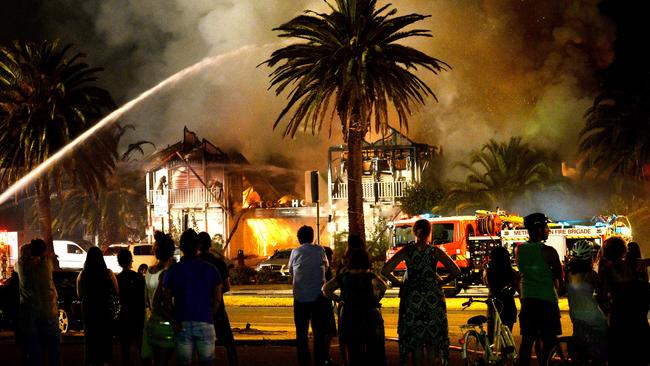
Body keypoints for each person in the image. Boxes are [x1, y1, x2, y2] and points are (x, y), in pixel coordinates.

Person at [381, 219, 461, 366]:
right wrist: (440, 282)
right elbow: (455, 270)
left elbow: (385, 270)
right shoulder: (435, 251)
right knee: (432, 340)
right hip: (433, 299)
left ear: (414, 232)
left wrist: (401, 285)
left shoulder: (407, 251)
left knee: (416, 341)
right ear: (430, 233)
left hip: (412, 299)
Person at [162, 229, 222, 366]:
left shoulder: (173, 271)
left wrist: (174, 320)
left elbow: (166, 300)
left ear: (181, 247)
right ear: (198, 247)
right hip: (205, 321)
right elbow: (218, 298)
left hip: (182, 323)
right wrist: (209, 314)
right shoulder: (211, 269)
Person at [323, 249, 387, 366]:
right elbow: (382, 287)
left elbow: (326, 289)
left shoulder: (343, 277)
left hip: (349, 315)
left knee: (353, 349)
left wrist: (339, 300)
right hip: (368, 315)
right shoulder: (369, 276)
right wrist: (375, 300)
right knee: (371, 348)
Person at [515, 213, 563, 366]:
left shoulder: (519, 250)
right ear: (539, 229)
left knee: (527, 342)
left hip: (528, 301)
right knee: (548, 341)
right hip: (547, 302)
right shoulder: (549, 251)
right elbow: (558, 281)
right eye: (546, 227)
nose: (548, 230)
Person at [599, 236, 650, 365]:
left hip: (619, 319)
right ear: (623, 250)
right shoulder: (635, 264)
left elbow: (604, 296)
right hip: (638, 318)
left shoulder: (608, 271)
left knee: (619, 356)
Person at [288, 225, 332, 366]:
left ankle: (304, 361)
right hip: (318, 297)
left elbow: (290, 271)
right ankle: (319, 360)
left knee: (301, 333)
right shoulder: (320, 250)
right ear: (312, 237)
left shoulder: (295, 252)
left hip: (300, 297)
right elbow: (326, 267)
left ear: (299, 238)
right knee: (319, 332)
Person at [15, 239, 61, 366]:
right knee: (53, 350)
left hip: (30, 313)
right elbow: (46, 255)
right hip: (49, 310)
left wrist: (26, 251)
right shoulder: (46, 264)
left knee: (34, 351)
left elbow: (22, 260)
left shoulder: (22, 266)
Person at [198, 231, 238, 366]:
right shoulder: (218, 263)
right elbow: (227, 287)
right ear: (210, 245)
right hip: (218, 308)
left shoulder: (194, 264)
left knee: (198, 343)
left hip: (198, 309)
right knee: (228, 341)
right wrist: (217, 293)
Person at [77, 246, 119, 366]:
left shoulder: (82, 275)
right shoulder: (108, 273)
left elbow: (79, 293)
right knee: (105, 335)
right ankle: (105, 359)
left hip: (89, 309)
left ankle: (90, 359)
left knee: (90, 336)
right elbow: (116, 290)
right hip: (104, 308)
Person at [142, 231, 176, 366]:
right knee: (164, 360)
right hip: (166, 324)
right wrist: (175, 321)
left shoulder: (149, 272)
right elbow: (166, 302)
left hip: (151, 322)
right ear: (171, 253)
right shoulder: (167, 274)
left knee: (156, 359)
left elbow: (146, 299)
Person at [482, 245, 519, 342]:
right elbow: (518, 289)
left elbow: (487, 284)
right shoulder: (513, 273)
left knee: (491, 336)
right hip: (508, 305)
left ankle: (488, 354)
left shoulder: (489, 271)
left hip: (494, 304)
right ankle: (505, 356)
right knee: (506, 338)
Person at [116, 249, 145, 366]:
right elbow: (143, 297)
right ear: (130, 260)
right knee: (141, 347)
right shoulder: (138, 277)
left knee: (125, 349)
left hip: (124, 316)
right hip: (137, 315)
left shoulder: (118, 279)